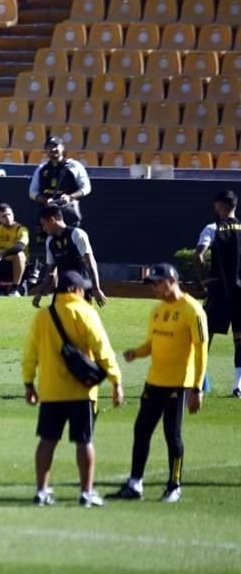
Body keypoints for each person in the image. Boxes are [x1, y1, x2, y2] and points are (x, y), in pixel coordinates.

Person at [22, 271, 124, 508]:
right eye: (83, 288)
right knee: (84, 442)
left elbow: (30, 353)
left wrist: (29, 383)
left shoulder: (43, 317)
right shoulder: (87, 313)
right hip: (82, 391)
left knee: (47, 441)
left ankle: (41, 491)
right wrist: (116, 381)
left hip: (51, 391)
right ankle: (86, 493)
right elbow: (103, 350)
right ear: (75, 290)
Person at [110, 264, 208, 503]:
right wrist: (136, 352)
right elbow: (152, 344)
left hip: (178, 384)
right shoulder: (157, 311)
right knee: (141, 430)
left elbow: (201, 351)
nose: (153, 288)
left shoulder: (192, 310)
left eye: (156, 283)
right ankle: (135, 484)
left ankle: (174, 486)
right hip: (154, 381)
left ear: (170, 281)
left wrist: (197, 389)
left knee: (171, 434)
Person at [26, 135, 92, 288]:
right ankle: (55, 289)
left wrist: (69, 197)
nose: (53, 150)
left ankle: (80, 284)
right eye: (49, 147)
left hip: (67, 214)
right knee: (50, 253)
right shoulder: (42, 169)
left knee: (73, 251)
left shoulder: (73, 166)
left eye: (56, 146)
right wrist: (45, 200)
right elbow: (32, 192)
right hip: (48, 216)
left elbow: (86, 188)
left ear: (63, 148)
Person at [193, 190, 241, 398]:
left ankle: (198, 381)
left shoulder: (211, 228)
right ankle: (238, 386)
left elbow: (198, 256)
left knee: (205, 335)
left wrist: (204, 281)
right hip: (240, 292)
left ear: (221, 206)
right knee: (239, 339)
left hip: (219, 290)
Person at [31, 205, 107, 309]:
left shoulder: (77, 235)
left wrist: (96, 288)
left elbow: (90, 262)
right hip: (62, 289)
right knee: (56, 321)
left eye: (44, 224)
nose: (43, 228)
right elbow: (51, 272)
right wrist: (39, 293)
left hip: (81, 287)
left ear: (52, 220)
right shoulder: (50, 241)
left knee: (78, 322)